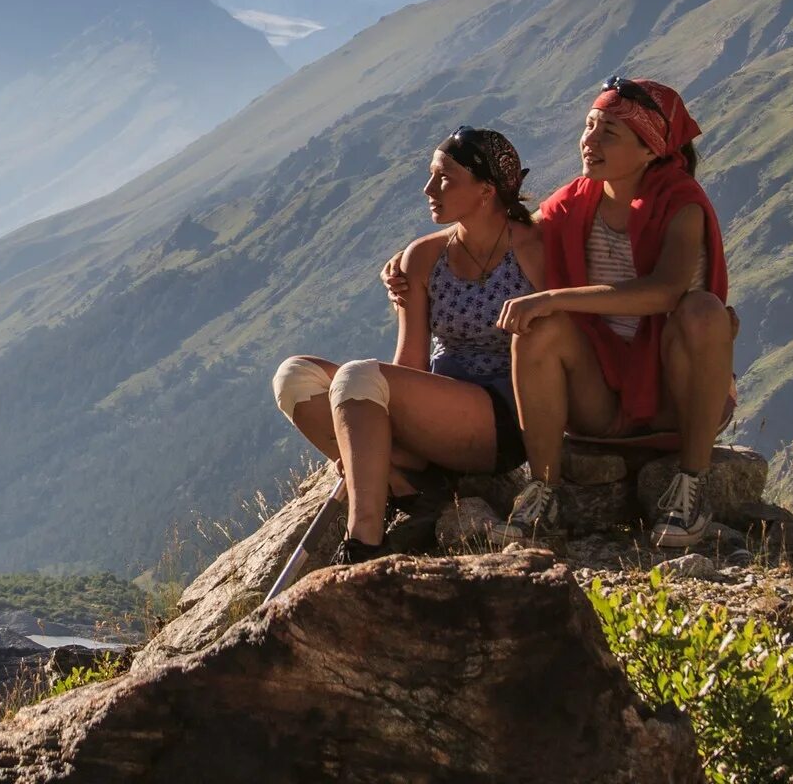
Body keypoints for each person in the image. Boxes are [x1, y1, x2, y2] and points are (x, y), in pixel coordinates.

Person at [272, 127, 543, 564]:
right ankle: (409, 490)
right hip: (437, 404)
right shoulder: (423, 257)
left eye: (444, 178)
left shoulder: (533, 249)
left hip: (500, 415)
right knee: (295, 376)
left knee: (358, 376)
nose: (428, 189)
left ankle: (364, 542)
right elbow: (412, 360)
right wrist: (379, 411)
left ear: (486, 190)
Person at [490, 77, 733, 549]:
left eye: (609, 133)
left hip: (673, 395)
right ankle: (543, 493)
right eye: (589, 125)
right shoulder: (576, 200)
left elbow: (665, 292)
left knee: (702, 311)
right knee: (539, 330)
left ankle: (691, 485)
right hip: (601, 393)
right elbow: (510, 233)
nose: (589, 141)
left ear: (649, 150)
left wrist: (556, 298)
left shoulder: (681, 205)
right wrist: (420, 255)